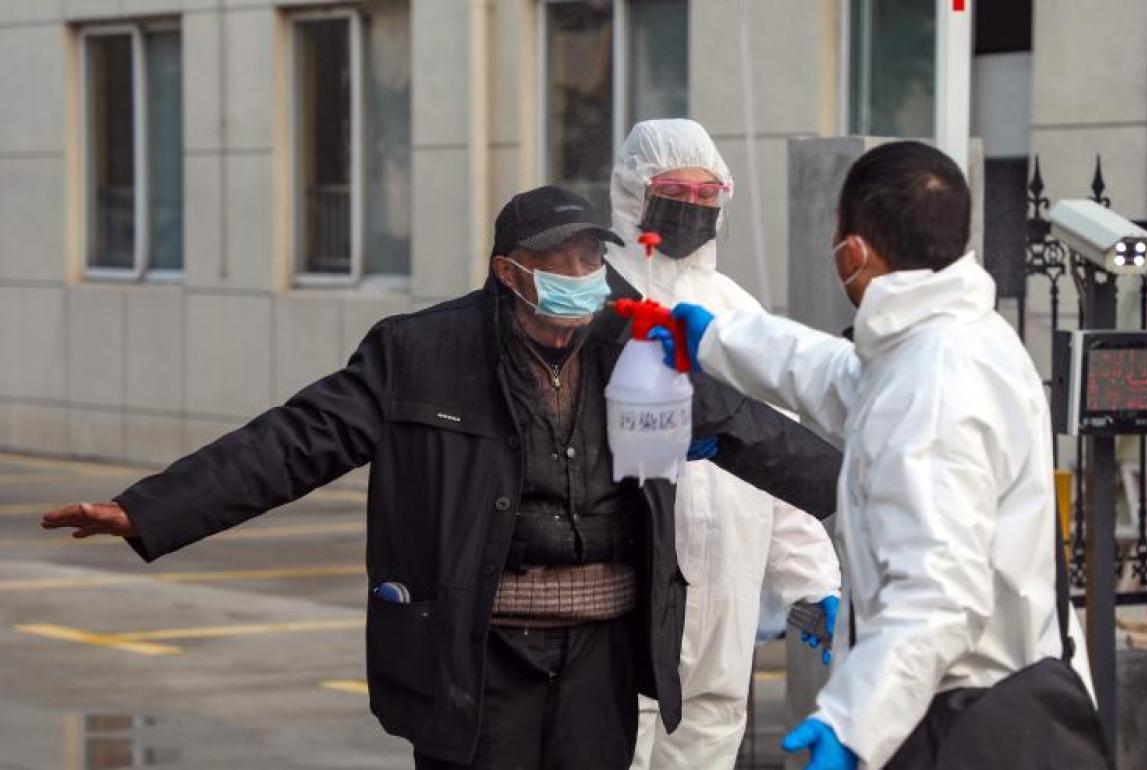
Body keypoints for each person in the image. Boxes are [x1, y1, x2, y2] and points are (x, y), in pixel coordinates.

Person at [40, 186, 841, 770]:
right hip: (479, 653)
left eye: (591, 259)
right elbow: (296, 440)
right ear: (509, 272)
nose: (582, 276)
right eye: (560, 263)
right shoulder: (420, 352)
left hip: (601, 657)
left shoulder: (634, 347)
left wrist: (859, 492)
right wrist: (147, 510)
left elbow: (750, 431)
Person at [653, 142, 1109, 770]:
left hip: (961, 722)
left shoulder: (933, 383)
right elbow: (836, 377)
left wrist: (852, 724)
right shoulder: (955, 340)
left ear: (854, 250)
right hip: (979, 699)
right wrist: (716, 338)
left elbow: (939, 593)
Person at [606, 119, 842, 770]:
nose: (692, 205)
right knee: (625, 730)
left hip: (728, 585)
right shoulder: (601, 295)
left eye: (706, 194)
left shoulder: (735, 310)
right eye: (674, 190)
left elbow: (773, 458)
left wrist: (811, 578)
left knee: (712, 723)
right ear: (632, 190)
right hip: (632, 584)